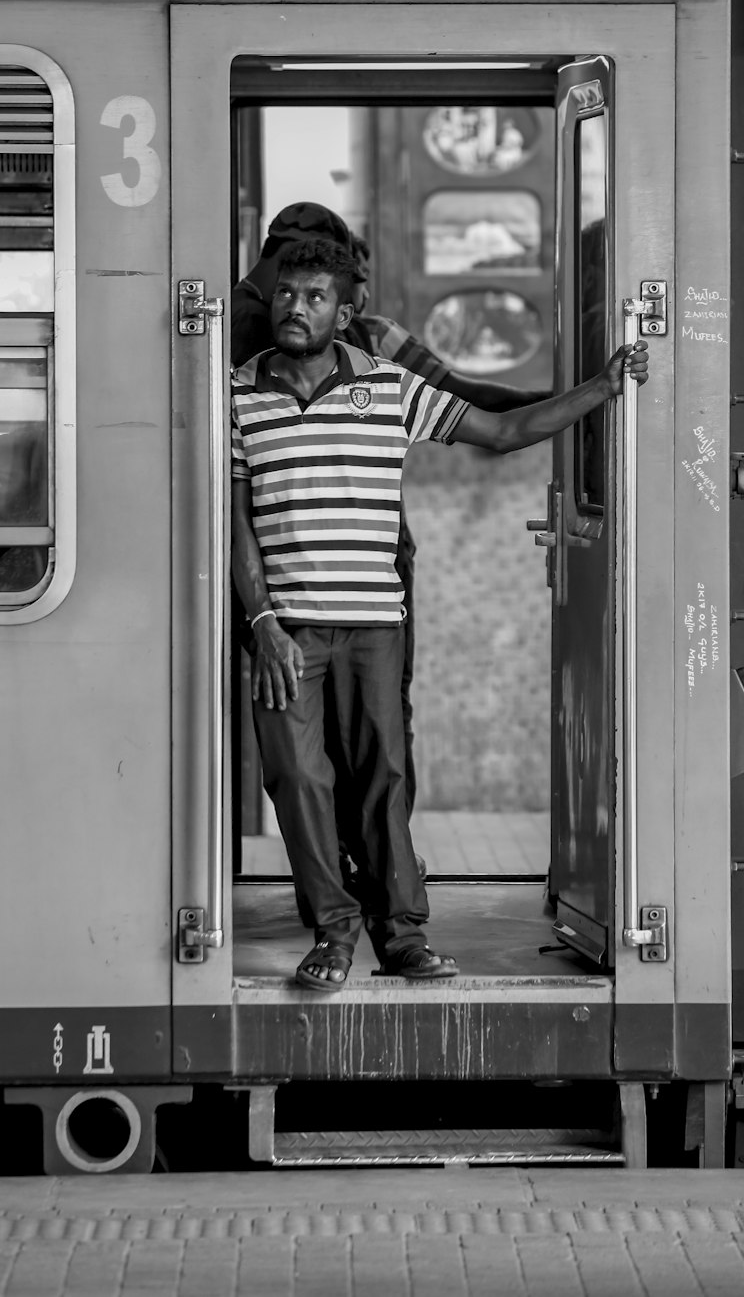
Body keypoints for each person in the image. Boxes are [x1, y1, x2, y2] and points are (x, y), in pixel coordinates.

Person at [231, 235, 647, 990]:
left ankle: (402, 939)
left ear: (346, 310)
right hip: (286, 630)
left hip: (373, 627)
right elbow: (234, 524)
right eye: (287, 294)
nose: (297, 309)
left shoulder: (391, 387)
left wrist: (602, 389)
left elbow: (505, 431)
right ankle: (331, 932)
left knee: (381, 780)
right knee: (297, 778)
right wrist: (261, 624)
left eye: (316, 297)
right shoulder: (236, 394)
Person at [233, 202, 549, 825]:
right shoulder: (320, 340)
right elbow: (471, 396)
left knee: (308, 736)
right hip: (329, 574)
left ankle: (360, 868)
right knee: (372, 731)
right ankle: (376, 866)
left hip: (294, 573)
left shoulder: (357, 339)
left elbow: (472, 410)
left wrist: (564, 400)